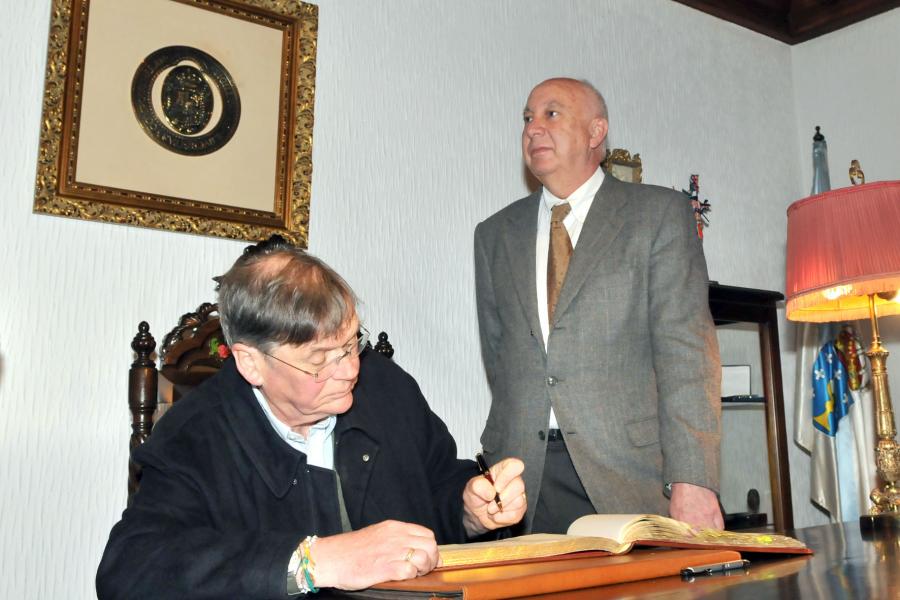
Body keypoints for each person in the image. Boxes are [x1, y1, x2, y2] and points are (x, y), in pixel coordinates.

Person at [97, 238, 526, 598]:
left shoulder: (385, 386)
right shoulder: (196, 434)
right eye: (321, 359)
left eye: (350, 343)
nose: (350, 370)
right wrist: (310, 561)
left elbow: (437, 485)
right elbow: (131, 569)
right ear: (251, 363)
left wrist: (471, 510)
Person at [474, 77, 721, 534]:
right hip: (525, 479)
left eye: (551, 114)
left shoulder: (659, 214)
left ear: (596, 132)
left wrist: (694, 478)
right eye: (527, 118)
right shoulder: (494, 234)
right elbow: (500, 355)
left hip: (632, 473)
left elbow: (686, 354)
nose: (533, 128)